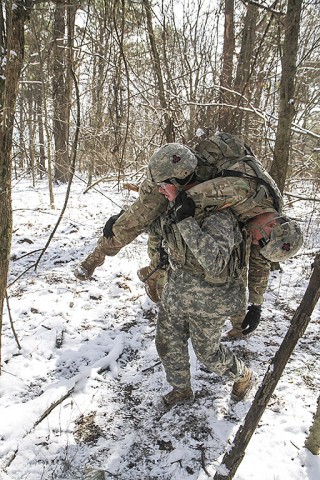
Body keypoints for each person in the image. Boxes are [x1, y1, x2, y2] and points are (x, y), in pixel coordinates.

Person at [74, 137, 303, 338]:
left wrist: (256, 305)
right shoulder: (240, 191)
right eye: (259, 240)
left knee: (232, 256)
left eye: (260, 243)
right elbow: (185, 202)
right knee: (135, 222)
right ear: (271, 224)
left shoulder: (270, 213)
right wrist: (126, 217)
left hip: (204, 189)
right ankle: (95, 258)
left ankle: (233, 319)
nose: (255, 242)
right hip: (176, 179)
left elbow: (258, 259)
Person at [146, 146, 251, 407]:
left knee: (208, 354)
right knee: (166, 343)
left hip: (210, 299)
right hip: (177, 289)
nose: (161, 190)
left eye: (164, 185)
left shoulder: (219, 213)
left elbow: (214, 262)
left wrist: (186, 219)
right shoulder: (177, 204)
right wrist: (119, 223)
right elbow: (160, 228)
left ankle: (243, 374)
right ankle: (181, 389)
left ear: (178, 180)